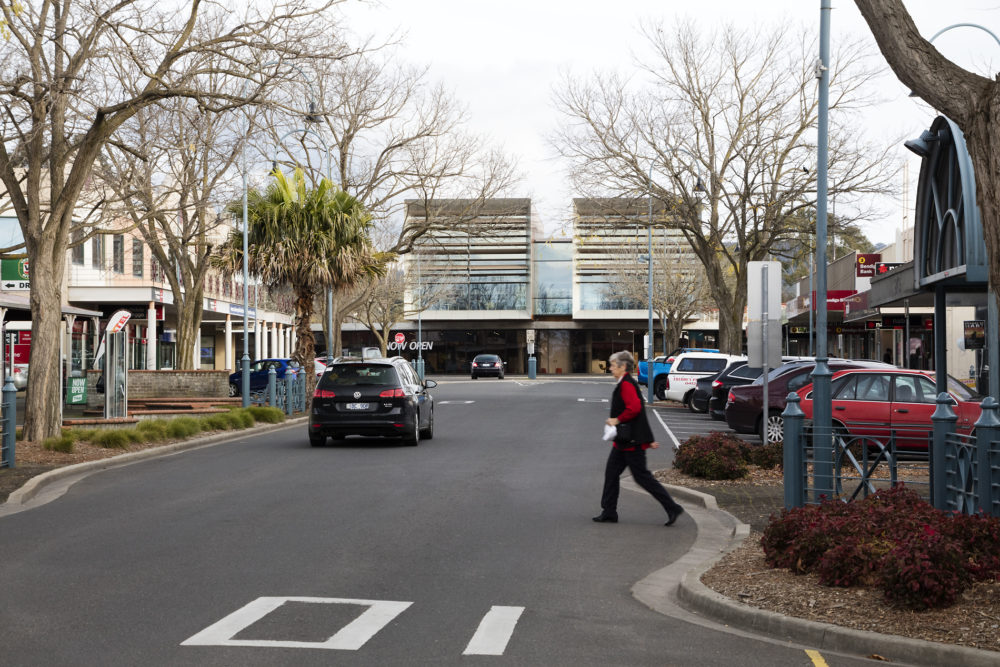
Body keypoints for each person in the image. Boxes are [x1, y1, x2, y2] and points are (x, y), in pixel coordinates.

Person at [593, 350, 684, 526]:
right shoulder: (624, 383)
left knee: (642, 477)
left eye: (613, 365)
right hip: (624, 442)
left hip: (631, 443)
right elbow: (639, 412)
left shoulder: (627, 384)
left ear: (622, 367)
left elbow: (634, 408)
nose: (610, 368)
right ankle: (609, 511)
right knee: (612, 474)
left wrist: (616, 420)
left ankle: (672, 507)